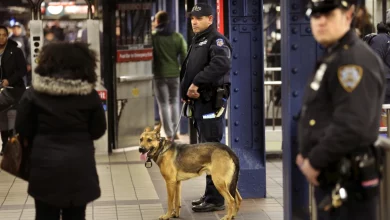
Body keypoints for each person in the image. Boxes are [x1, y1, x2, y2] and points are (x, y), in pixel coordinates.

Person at [297, 1, 385, 219]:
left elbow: (352, 125)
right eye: (315, 16)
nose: (320, 21)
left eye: (328, 14)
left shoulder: (353, 60)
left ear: (348, 15)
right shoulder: (334, 56)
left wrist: (314, 161)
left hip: (348, 182)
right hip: (333, 178)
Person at [15, 42, 107, 220]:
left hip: (44, 165)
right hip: (80, 165)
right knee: (76, 215)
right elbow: (98, 130)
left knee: (44, 214)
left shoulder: (34, 94)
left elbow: (22, 128)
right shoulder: (90, 95)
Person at [180, 3, 232, 212]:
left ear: (210, 19)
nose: (194, 21)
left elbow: (221, 64)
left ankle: (216, 198)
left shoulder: (216, 40)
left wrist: (196, 83)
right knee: (205, 148)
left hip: (211, 102)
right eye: (193, 17)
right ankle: (210, 194)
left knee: (212, 150)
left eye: (199, 18)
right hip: (199, 103)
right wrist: (187, 92)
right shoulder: (199, 40)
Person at [152, 11, 187, 140]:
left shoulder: (154, 38)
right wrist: (180, 69)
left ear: (158, 21)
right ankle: (176, 131)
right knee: (174, 102)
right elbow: (184, 55)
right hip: (174, 74)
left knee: (164, 104)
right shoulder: (177, 37)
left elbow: (150, 57)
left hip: (159, 75)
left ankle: (169, 134)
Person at [0, 25, 27, 155]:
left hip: (13, 90)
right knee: (2, 119)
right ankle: (5, 145)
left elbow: (22, 70)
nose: (1, 38)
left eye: (4, 35)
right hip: (1, 91)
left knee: (12, 119)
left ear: (7, 36)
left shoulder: (15, 50)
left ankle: (13, 145)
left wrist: (8, 81)